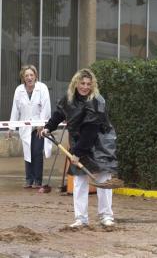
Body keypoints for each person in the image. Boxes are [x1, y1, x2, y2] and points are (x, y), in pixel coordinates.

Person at [40, 68, 118, 228]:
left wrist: (77, 153)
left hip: (100, 144)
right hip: (79, 142)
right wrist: (48, 127)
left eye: (89, 84)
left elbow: (91, 130)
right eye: (82, 83)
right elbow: (58, 114)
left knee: (103, 179)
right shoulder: (69, 99)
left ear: (93, 85)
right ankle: (81, 219)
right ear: (76, 83)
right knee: (80, 181)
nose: (85, 87)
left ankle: (106, 216)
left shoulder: (97, 101)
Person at [8, 65, 52, 188]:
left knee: (37, 152)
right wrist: (11, 127)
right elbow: (15, 109)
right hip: (25, 126)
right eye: (26, 75)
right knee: (28, 152)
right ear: (23, 77)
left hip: (39, 126)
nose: (29, 77)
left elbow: (46, 107)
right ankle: (29, 180)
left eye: (31, 75)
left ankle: (37, 180)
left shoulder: (42, 88)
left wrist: (41, 125)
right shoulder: (19, 90)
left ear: (35, 76)